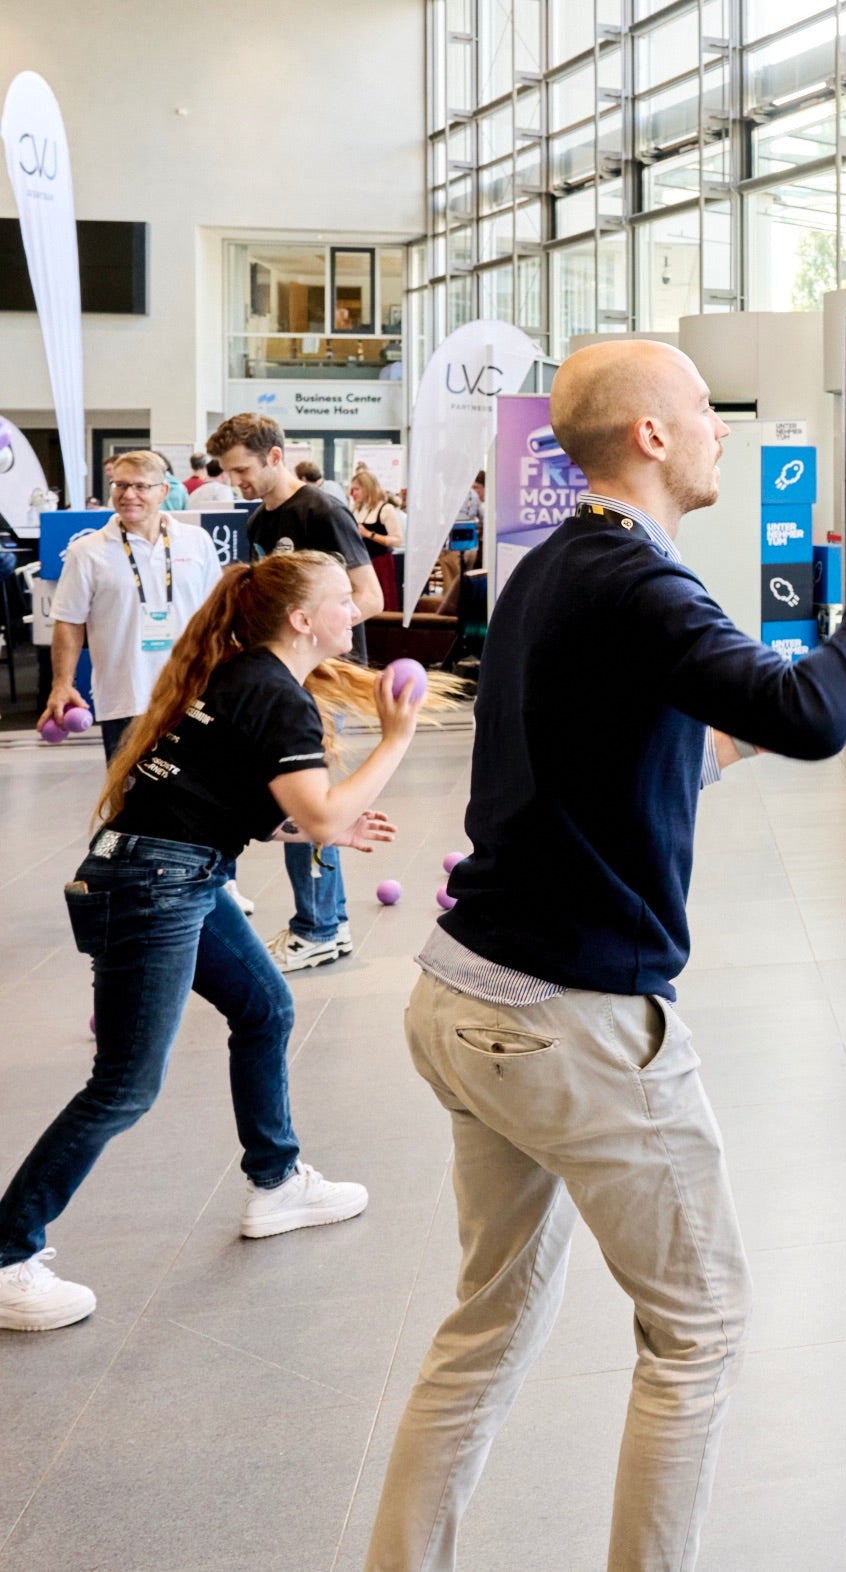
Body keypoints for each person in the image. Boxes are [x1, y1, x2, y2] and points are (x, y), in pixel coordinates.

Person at [363, 340, 846, 1572]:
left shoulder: (554, 570)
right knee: (698, 1328)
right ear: (651, 437)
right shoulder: (632, 581)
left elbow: (618, 755)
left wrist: (737, 745)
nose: (722, 428)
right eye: (703, 409)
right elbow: (811, 712)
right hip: (567, 1028)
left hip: (463, 996)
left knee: (488, 1324)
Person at [0, 551, 421, 1332]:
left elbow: (232, 797)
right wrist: (395, 740)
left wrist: (313, 820)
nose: (355, 610)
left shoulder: (249, 679)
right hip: (156, 887)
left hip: (170, 874)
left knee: (265, 1009)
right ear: (300, 619)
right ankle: (6, 1255)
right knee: (124, 1087)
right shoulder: (272, 692)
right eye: (341, 600)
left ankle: (277, 1180)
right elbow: (323, 816)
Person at [209, 412, 383, 973]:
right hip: (285, 676)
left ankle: (320, 926)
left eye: (242, 470)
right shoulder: (260, 521)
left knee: (311, 802)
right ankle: (326, 922)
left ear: (276, 457)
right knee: (290, 800)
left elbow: (368, 596)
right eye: (228, 472)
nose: (234, 482)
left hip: (324, 676)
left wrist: (314, 637)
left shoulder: (322, 511)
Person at [45, 450, 225, 760]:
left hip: (192, 694)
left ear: (163, 492)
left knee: (195, 799)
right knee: (130, 800)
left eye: (141, 486)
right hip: (125, 698)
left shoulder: (197, 541)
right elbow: (69, 621)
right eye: (120, 485)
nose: (129, 495)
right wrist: (62, 683)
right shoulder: (86, 552)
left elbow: (217, 615)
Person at [348, 463, 406, 609]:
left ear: (367, 488)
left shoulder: (385, 509)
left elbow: (397, 540)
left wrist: (369, 534)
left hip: (380, 562)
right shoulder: (358, 509)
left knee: (381, 600)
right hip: (362, 562)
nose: (353, 493)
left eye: (357, 489)